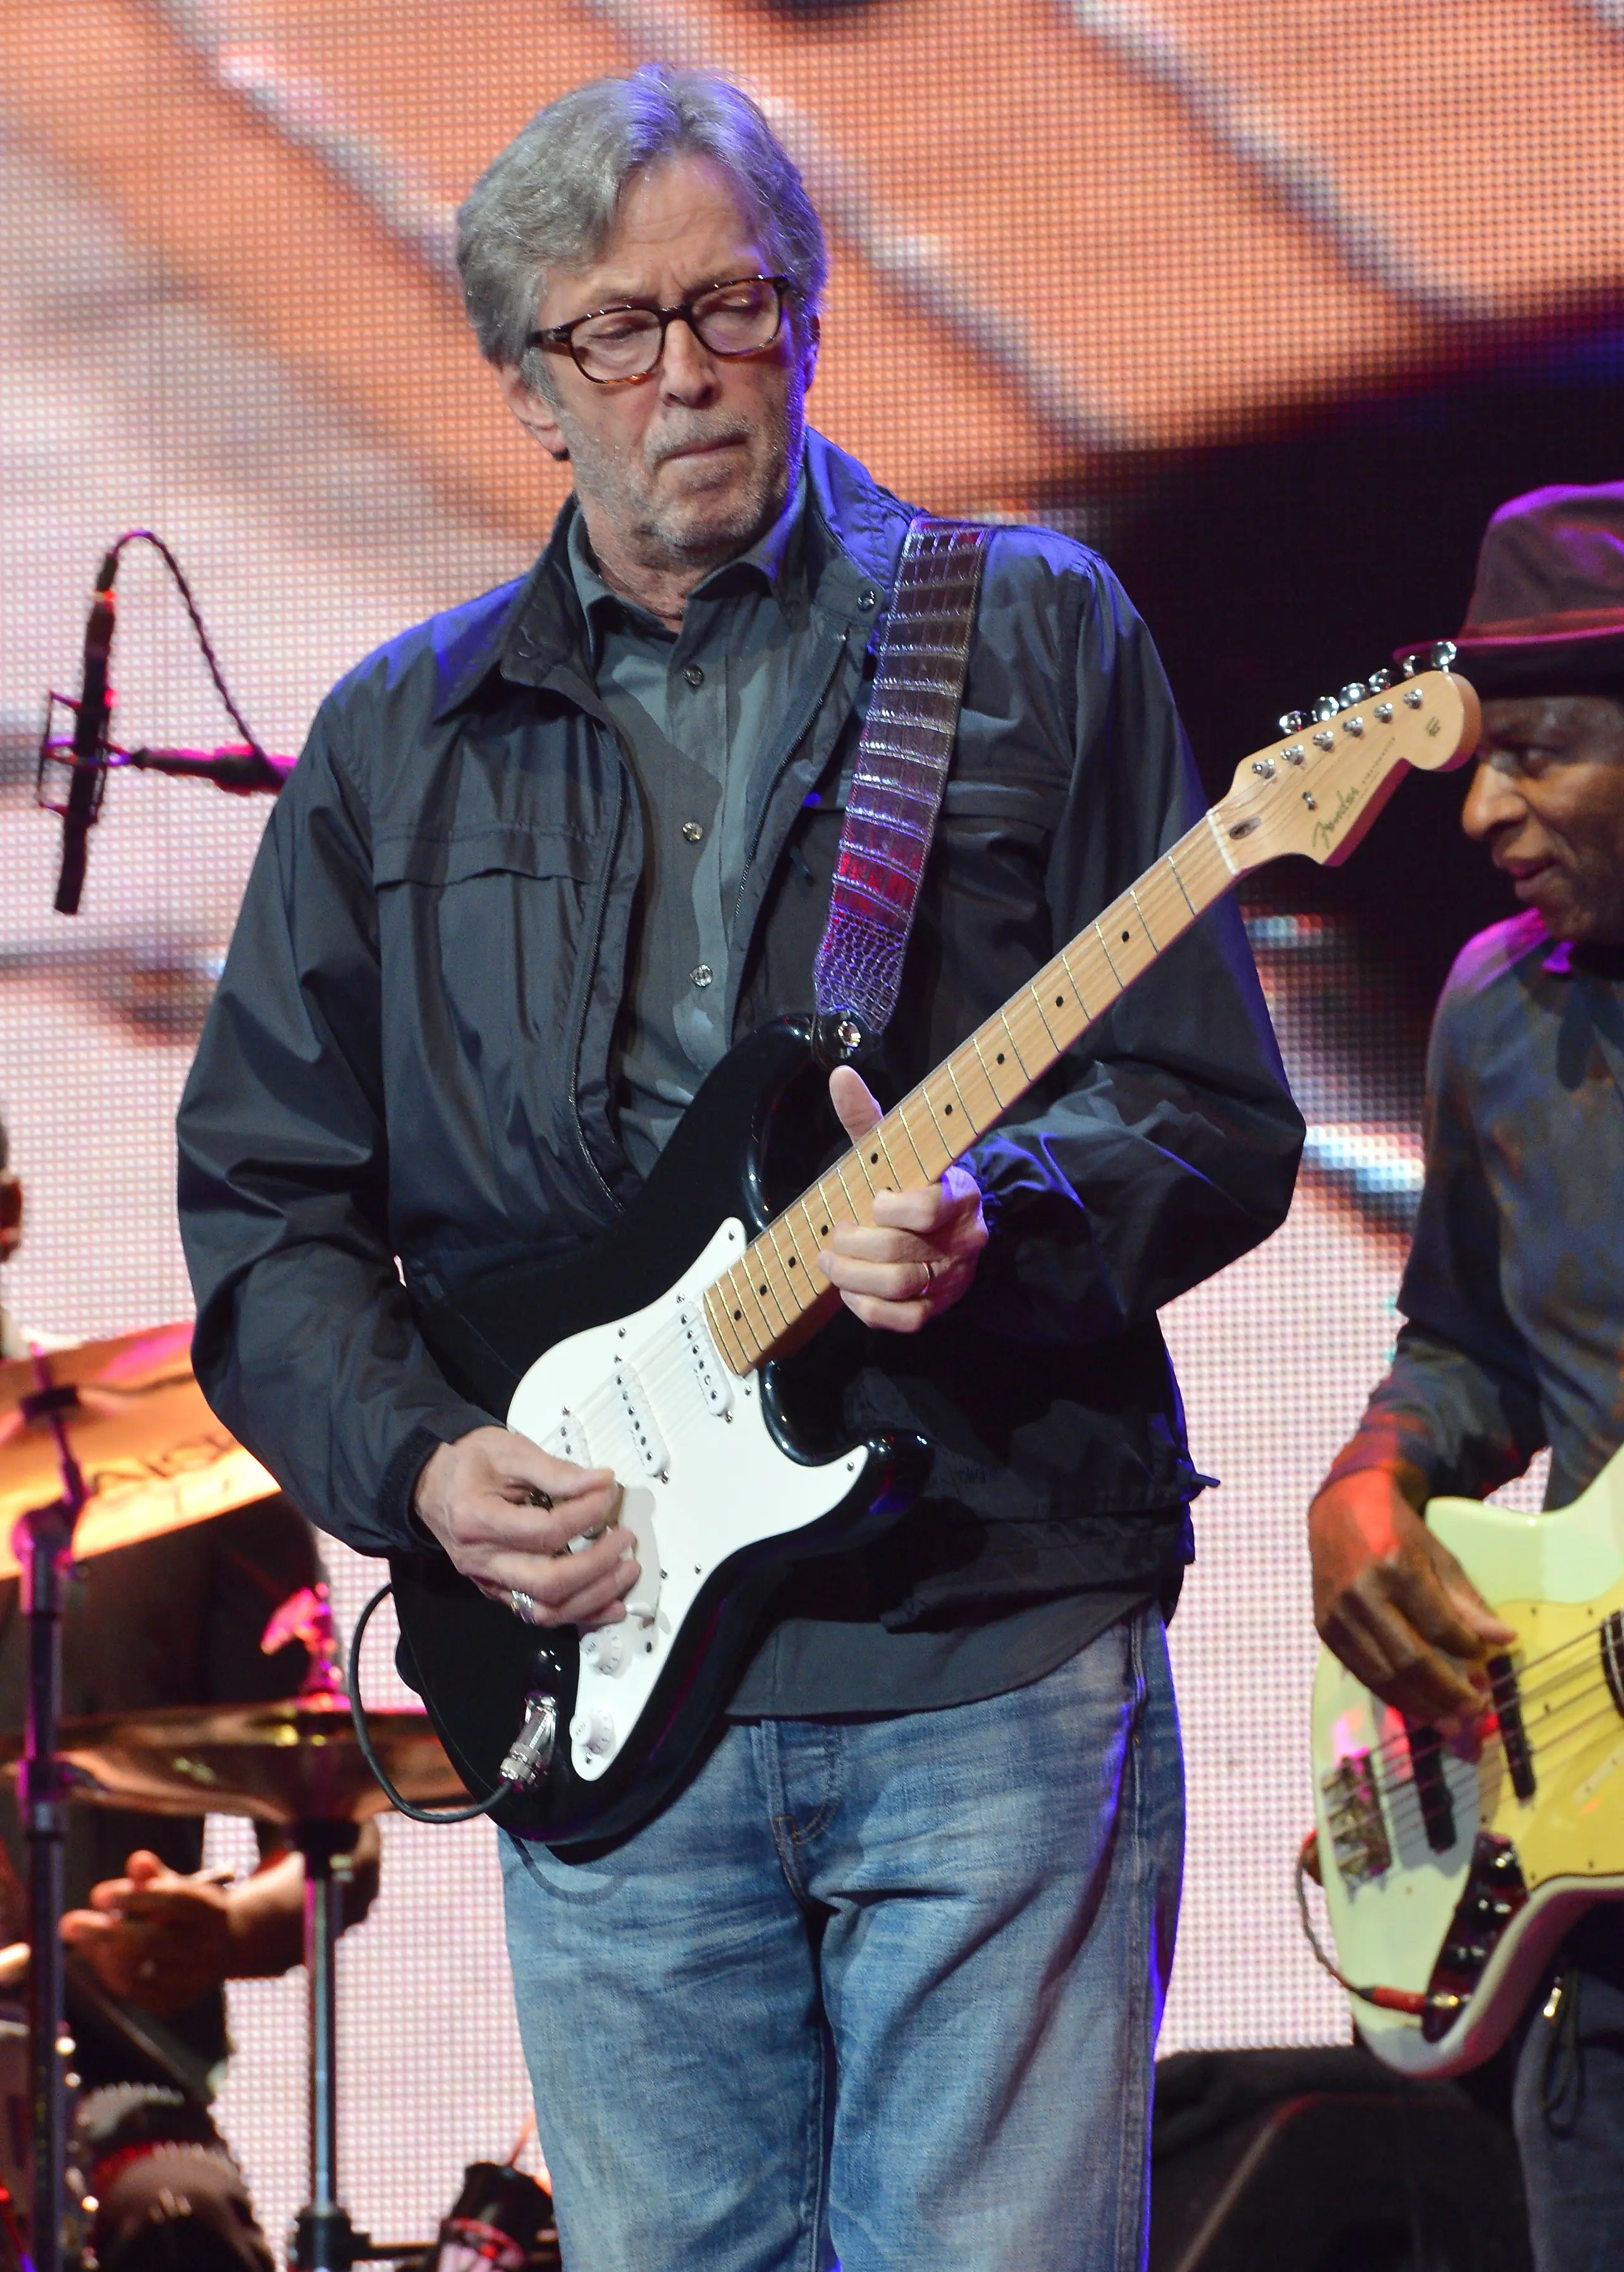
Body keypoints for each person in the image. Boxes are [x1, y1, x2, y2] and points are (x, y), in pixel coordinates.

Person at [176, 65, 1302, 2272]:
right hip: (599, 1661)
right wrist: (418, 1469)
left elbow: (1209, 1107)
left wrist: (1010, 1224)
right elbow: (268, 1213)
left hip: (980, 1631)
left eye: (735, 305)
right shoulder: (394, 746)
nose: (686, 371)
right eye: (618, 330)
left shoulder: (1024, 633)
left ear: (808, 316)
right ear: (527, 386)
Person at [1308, 481, 1624, 2272]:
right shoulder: (1496, 1012)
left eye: (1546, 752)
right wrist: (1369, 1487)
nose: (1483, 803)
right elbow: (1472, 1345)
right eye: (1481, 755)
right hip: (1603, 1940)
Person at [0, 1116, 379, 2272]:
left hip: (103, 2076)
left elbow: (335, 1842)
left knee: (182, 2231)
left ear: (5, 1211)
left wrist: (227, 1931)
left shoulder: (181, 1472)